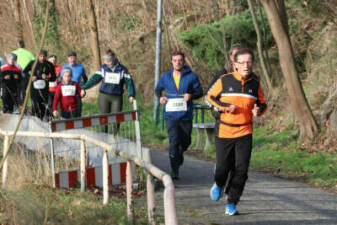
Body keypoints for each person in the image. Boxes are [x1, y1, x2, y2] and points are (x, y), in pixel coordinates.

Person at [206, 48, 267, 215]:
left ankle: (232, 202)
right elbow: (209, 97)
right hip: (225, 131)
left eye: (249, 62)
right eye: (242, 63)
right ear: (235, 64)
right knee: (222, 169)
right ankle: (218, 184)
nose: (246, 66)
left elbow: (262, 103)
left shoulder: (255, 83)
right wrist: (225, 107)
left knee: (242, 170)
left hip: (245, 132)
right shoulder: (224, 80)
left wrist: (258, 110)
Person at [155, 51, 203, 179]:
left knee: (185, 141)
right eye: (175, 60)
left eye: (180, 60)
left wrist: (191, 95)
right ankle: (174, 169)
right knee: (173, 141)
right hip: (170, 115)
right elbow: (158, 89)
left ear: (184, 61)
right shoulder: (166, 77)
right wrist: (161, 98)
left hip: (185, 115)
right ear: (172, 62)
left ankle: (179, 154)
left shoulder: (191, 77)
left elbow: (200, 91)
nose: (177, 62)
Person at [81, 51, 135, 133]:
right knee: (104, 117)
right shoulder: (103, 68)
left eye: (108, 61)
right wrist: (84, 88)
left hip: (116, 97)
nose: (106, 63)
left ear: (113, 60)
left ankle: (114, 137)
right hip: (104, 96)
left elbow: (129, 82)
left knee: (116, 118)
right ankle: (104, 136)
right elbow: (94, 79)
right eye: (105, 61)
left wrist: (131, 95)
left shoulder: (122, 69)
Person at [24, 50, 56, 120]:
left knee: (43, 107)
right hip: (34, 89)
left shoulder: (49, 64)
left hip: (44, 90)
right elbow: (24, 72)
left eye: (44, 56)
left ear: (46, 57)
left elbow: (54, 77)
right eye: (41, 56)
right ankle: (35, 120)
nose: (42, 58)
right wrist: (30, 77)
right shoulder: (32, 63)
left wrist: (47, 77)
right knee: (35, 105)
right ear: (38, 56)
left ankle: (42, 121)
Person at [60, 51, 88, 117]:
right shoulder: (64, 67)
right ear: (68, 59)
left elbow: (85, 80)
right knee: (66, 114)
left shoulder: (80, 67)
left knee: (78, 113)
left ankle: (78, 126)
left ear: (76, 58)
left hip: (77, 94)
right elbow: (60, 80)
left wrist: (83, 89)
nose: (72, 60)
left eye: (74, 58)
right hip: (66, 93)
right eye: (70, 58)